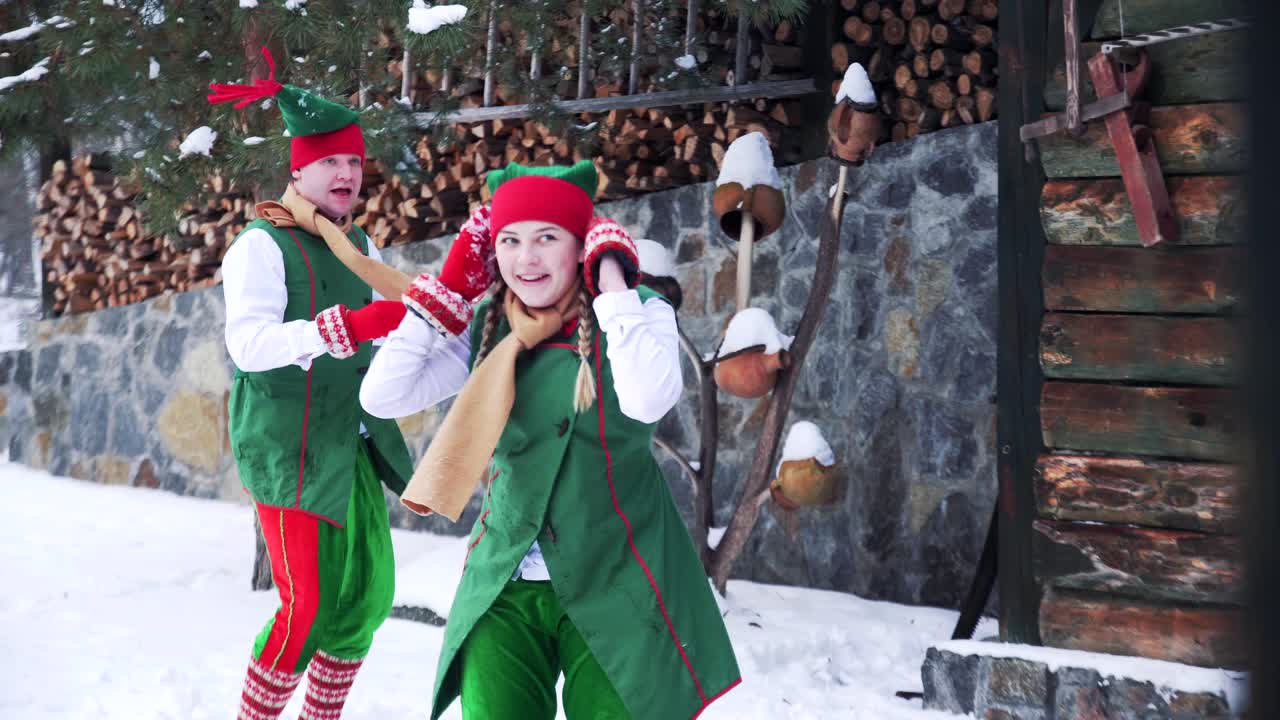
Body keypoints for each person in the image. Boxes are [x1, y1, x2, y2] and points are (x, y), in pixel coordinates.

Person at [360, 160, 741, 719]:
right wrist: (441, 295)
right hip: (507, 579)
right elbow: (382, 396)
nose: (526, 258)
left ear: (580, 242)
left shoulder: (636, 315)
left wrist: (611, 280)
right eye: (510, 240)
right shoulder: (490, 326)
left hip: (616, 576)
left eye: (546, 238)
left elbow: (649, 400)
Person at [209, 47, 414, 720]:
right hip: (287, 446)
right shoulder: (260, 246)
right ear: (299, 169)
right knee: (305, 608)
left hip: (350, 445)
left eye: (354, 162)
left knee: (365, 599)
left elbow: (389, 340)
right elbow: (248, 345)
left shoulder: (362, 250)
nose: (348, 174)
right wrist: (343, 329)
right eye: (332, 162)